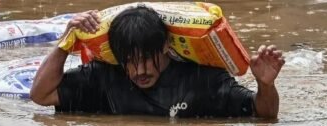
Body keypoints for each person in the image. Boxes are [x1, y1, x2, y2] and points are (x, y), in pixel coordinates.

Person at [30, 6, 285, 119]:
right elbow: (41, 94)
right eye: (129, 62)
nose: (139, 71)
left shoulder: (202, 79)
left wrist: (265, 86)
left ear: (165, 46)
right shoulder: (104, 77)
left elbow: (264, 115)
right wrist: (66, 42)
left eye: (145, 59)